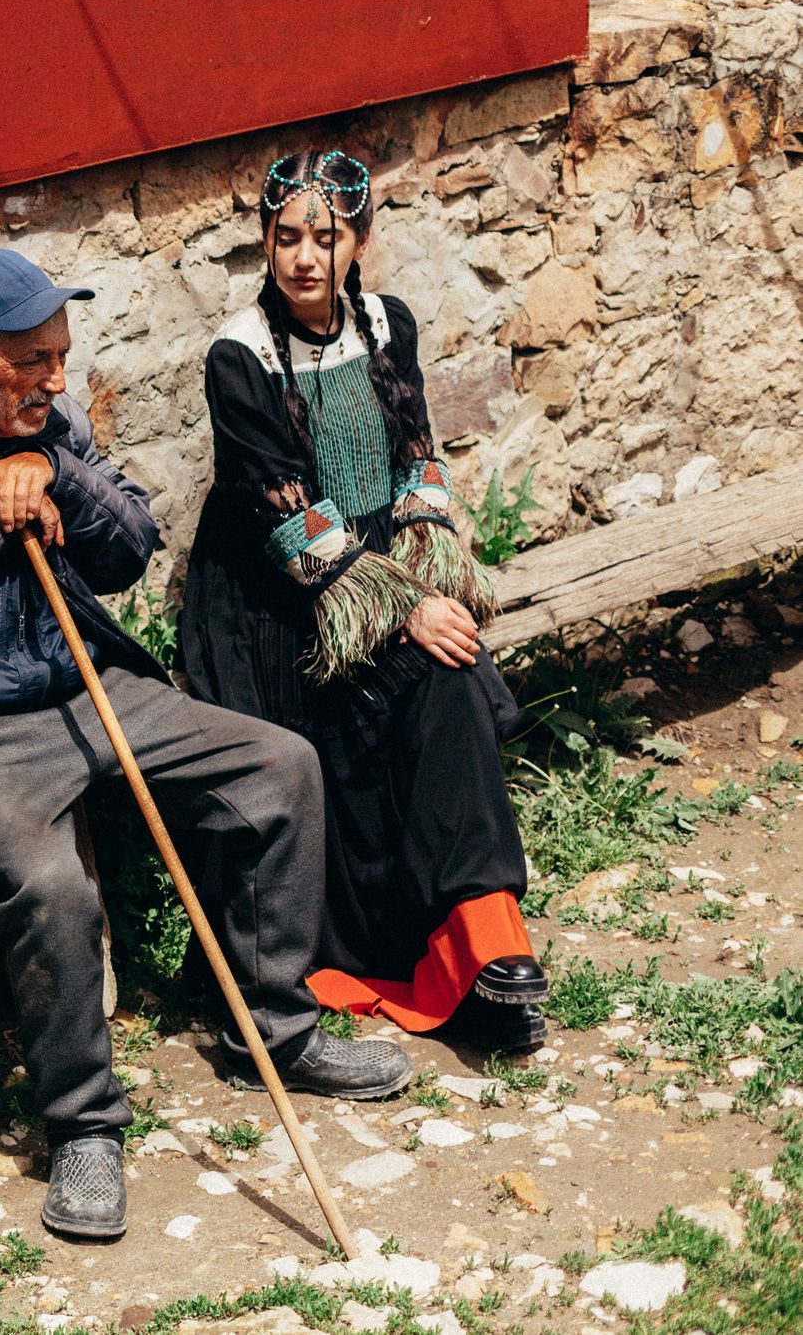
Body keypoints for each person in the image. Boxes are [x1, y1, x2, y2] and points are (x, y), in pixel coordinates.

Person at [0, 247, 412, 1244]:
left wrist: (58, 476)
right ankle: (82, 1123)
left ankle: (276, 1029)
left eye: (60, 357)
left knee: (277, 767)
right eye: (34, 361)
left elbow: (126, 550)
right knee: (52, 885)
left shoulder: (42, 420)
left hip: (83, 684)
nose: (57, 381)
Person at [181, 150, 548, 1054]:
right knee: (434, 667)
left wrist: (432, 560)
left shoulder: (388, 323)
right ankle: (472, 948)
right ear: (264, 242)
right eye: (285, 236)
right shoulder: (240, 355)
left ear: (361, 241)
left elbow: (419, 451)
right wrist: (407, 607)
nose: (304, 256)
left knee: (450, 668)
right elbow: (290, 521)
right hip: (282, 601)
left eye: (326, 235)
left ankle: (484, 945)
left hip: (380, 568)